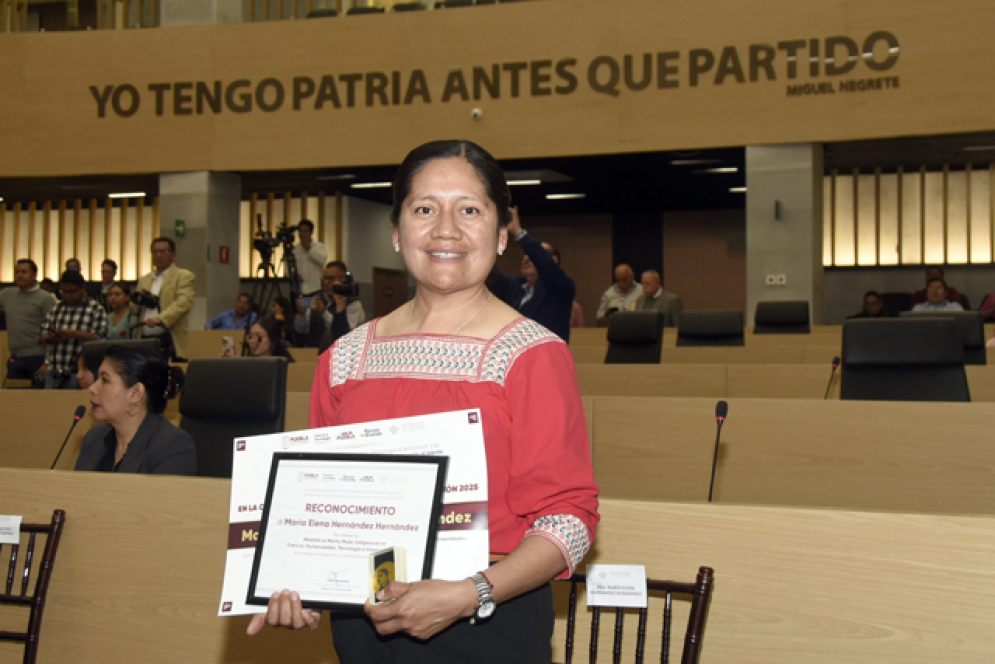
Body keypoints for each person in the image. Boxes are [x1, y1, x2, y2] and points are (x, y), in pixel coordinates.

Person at [247, 140, 599, 664]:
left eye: (470, 210)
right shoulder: (343, 359)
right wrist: (300, 582)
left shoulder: (533, 355)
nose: (446, 229)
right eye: (425, 209)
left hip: (488, 627)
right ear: (396, 232)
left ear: (501, 235)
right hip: (365, 630)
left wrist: (471, 592)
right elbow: (317, 506)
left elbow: (570, 521)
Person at [74, 344, 196, 475]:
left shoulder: (172, 446)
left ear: (135, 393)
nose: (92, 388)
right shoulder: (94, 438)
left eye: (105, 380)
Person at [487, 209, 576, 342]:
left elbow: (546, 265)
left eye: (533, 254)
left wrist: (518, 232)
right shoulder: (515, 286)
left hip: (547, 358)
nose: (526, 258)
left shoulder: (560, 288)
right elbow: (488, 271)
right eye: (525, 254)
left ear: (553, 260)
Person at [39, 271, 107, 390]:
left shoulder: (95, 309)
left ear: (83, 289)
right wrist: (51, 337)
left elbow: (101, 339)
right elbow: (42, 336)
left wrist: (72, 334)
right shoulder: (56, 308)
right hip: (54, 371)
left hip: (80, 373)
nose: (68, 295)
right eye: (64, 292)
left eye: (72, 292)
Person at [135, 237, 195, 361]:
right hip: (145, 338)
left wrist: (161, 319)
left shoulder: (183, 276)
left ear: (173, 255)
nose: (159, 256)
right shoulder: (144, 279)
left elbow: (183, 303)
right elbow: (134, 309)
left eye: (164, 252)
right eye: (155, 252)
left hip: (169, 338)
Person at [0, 259, 56, 387]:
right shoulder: (7, 294)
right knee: (11, 398)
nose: (19, 275)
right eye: (17, 272)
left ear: (35, 275)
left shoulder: (46, 298)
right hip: (16, 357)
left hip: (38, 357)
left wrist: (48, 362)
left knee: (37, 398)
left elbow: (53, 331)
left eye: (24, 272)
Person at [294, 261, 366, 347]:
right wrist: (302, 314)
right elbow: (301, 330)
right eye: (324, 278)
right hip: (314, 352)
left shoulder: (353, 303)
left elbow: (346, 333)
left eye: (331, 279)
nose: (326, 282)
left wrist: (324, 313)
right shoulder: (317, 298)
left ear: (343, 279)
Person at [291, 219, 328, 295]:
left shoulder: (319, 246)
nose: (303, 234)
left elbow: (322, 260)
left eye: (306, 231)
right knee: (299, 306)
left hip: (315, 289)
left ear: (311, 233)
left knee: (312, 307)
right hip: (299, 289)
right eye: (301, 231)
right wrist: (294, 276)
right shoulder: (295, 250)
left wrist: (308, 248)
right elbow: (288, 267)